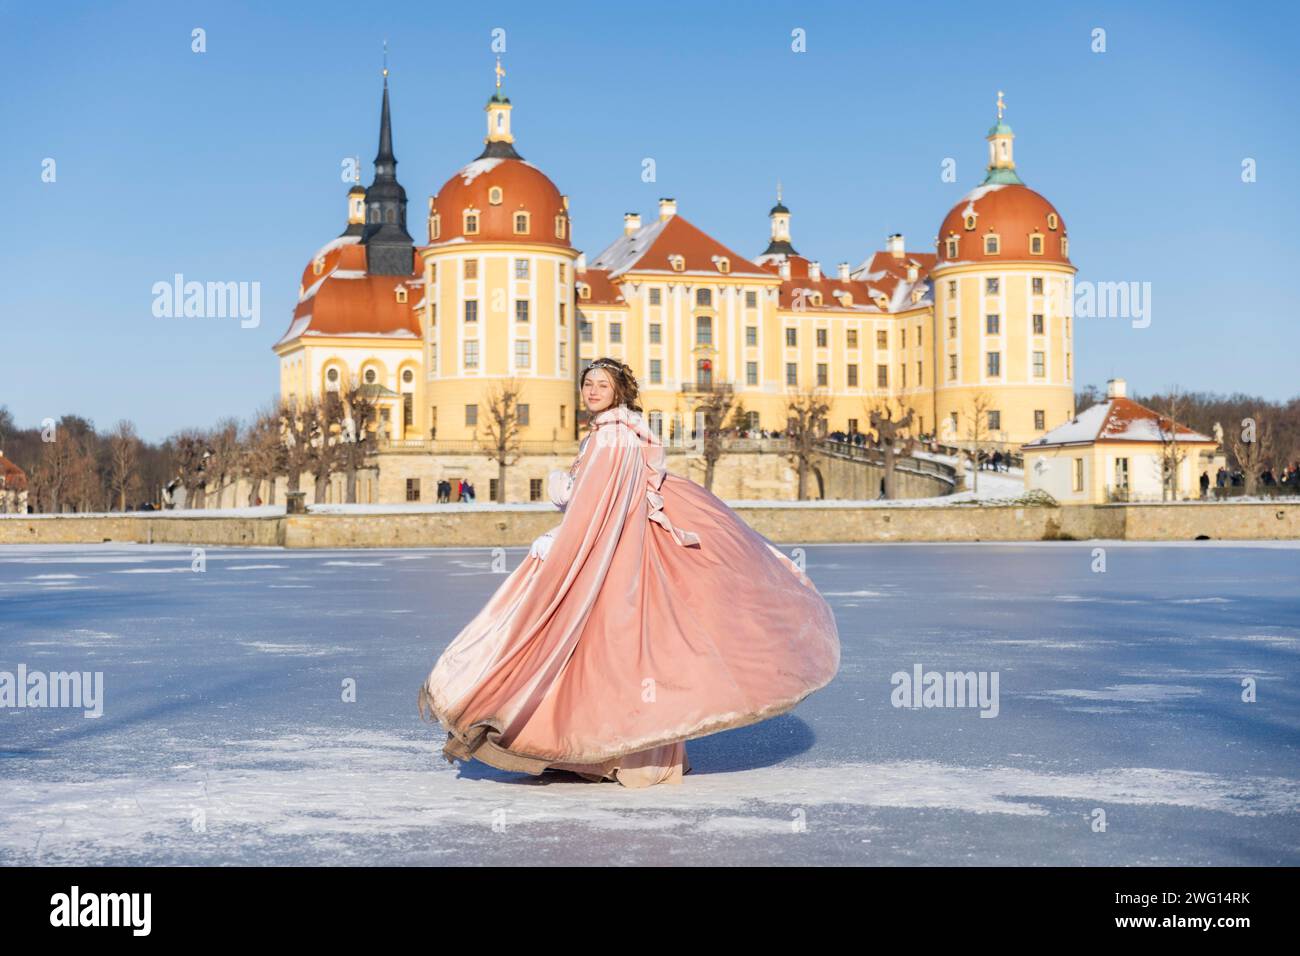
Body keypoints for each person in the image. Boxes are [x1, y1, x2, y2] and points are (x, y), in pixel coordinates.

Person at [418, 357, 840, 788]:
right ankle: (616, 754)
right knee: (620, 653)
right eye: (588, 383)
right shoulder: (612, 434)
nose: (593, 390)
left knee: (608, 650)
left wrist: (564, 536)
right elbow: (604, 498)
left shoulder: (615, 437)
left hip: (612, 554)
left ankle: (606, 753)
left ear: (619, 391)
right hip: (620, 549)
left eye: (602, 384)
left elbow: (602, 505)